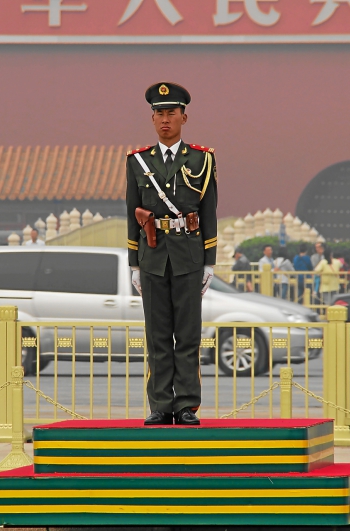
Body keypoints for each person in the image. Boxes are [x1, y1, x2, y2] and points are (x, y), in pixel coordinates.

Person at [126, 82, 218, 427]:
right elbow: (131, 211)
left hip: (189, 256)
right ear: (152, 119)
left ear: (184, 117)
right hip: (152, 255)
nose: (165, 120)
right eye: (159, 114)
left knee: (188, 334)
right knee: (158, 335)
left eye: (171, 113)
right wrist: (134, 263)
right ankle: (161, 405)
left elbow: (209, 210)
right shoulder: (137, 162)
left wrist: (210, 260)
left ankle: (187, 406)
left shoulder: (202, 159)